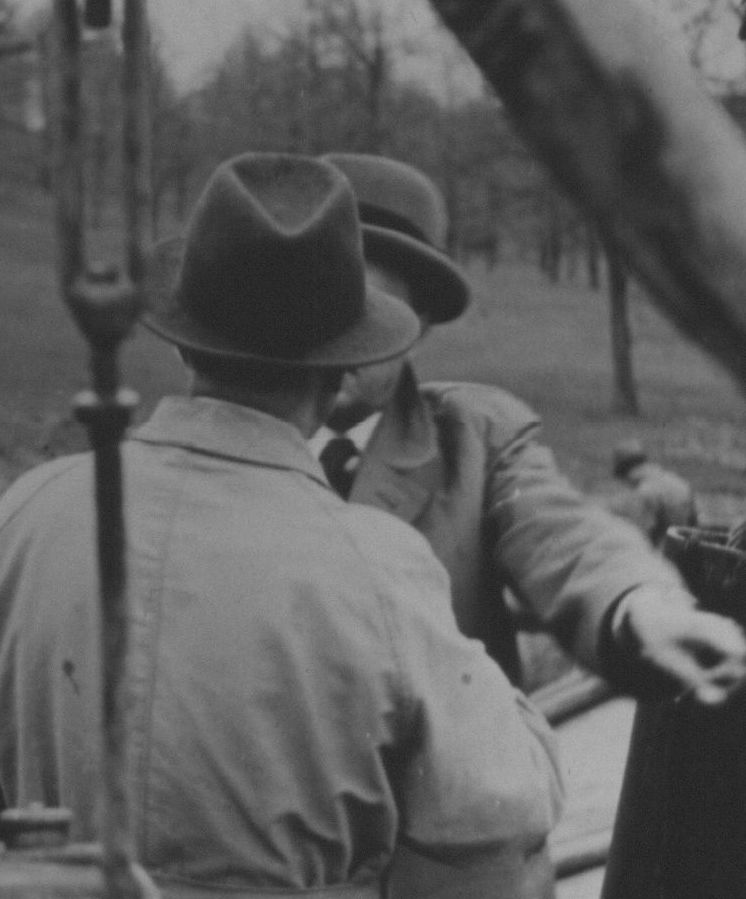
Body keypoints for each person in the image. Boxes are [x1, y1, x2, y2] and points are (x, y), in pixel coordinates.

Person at [0, 153, 565, 897]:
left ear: (184, 340)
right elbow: (496, 813)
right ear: (338, 369)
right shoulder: (381, 564)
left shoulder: (25, 514)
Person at [314, 152, 746, 899]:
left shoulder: (472, 437)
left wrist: (637, 605)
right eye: (319, 304)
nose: (340, 338)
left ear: (418, 324)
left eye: (370, 312)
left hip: (444, 871)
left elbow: (560, 536)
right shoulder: (231, 445)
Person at [605, 438, 699, 546]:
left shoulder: (644, 492)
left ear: (623, 471)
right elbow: (694, 524)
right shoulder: (678, 481)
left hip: (664, 549)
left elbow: (642, 536)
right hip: (685, 545)